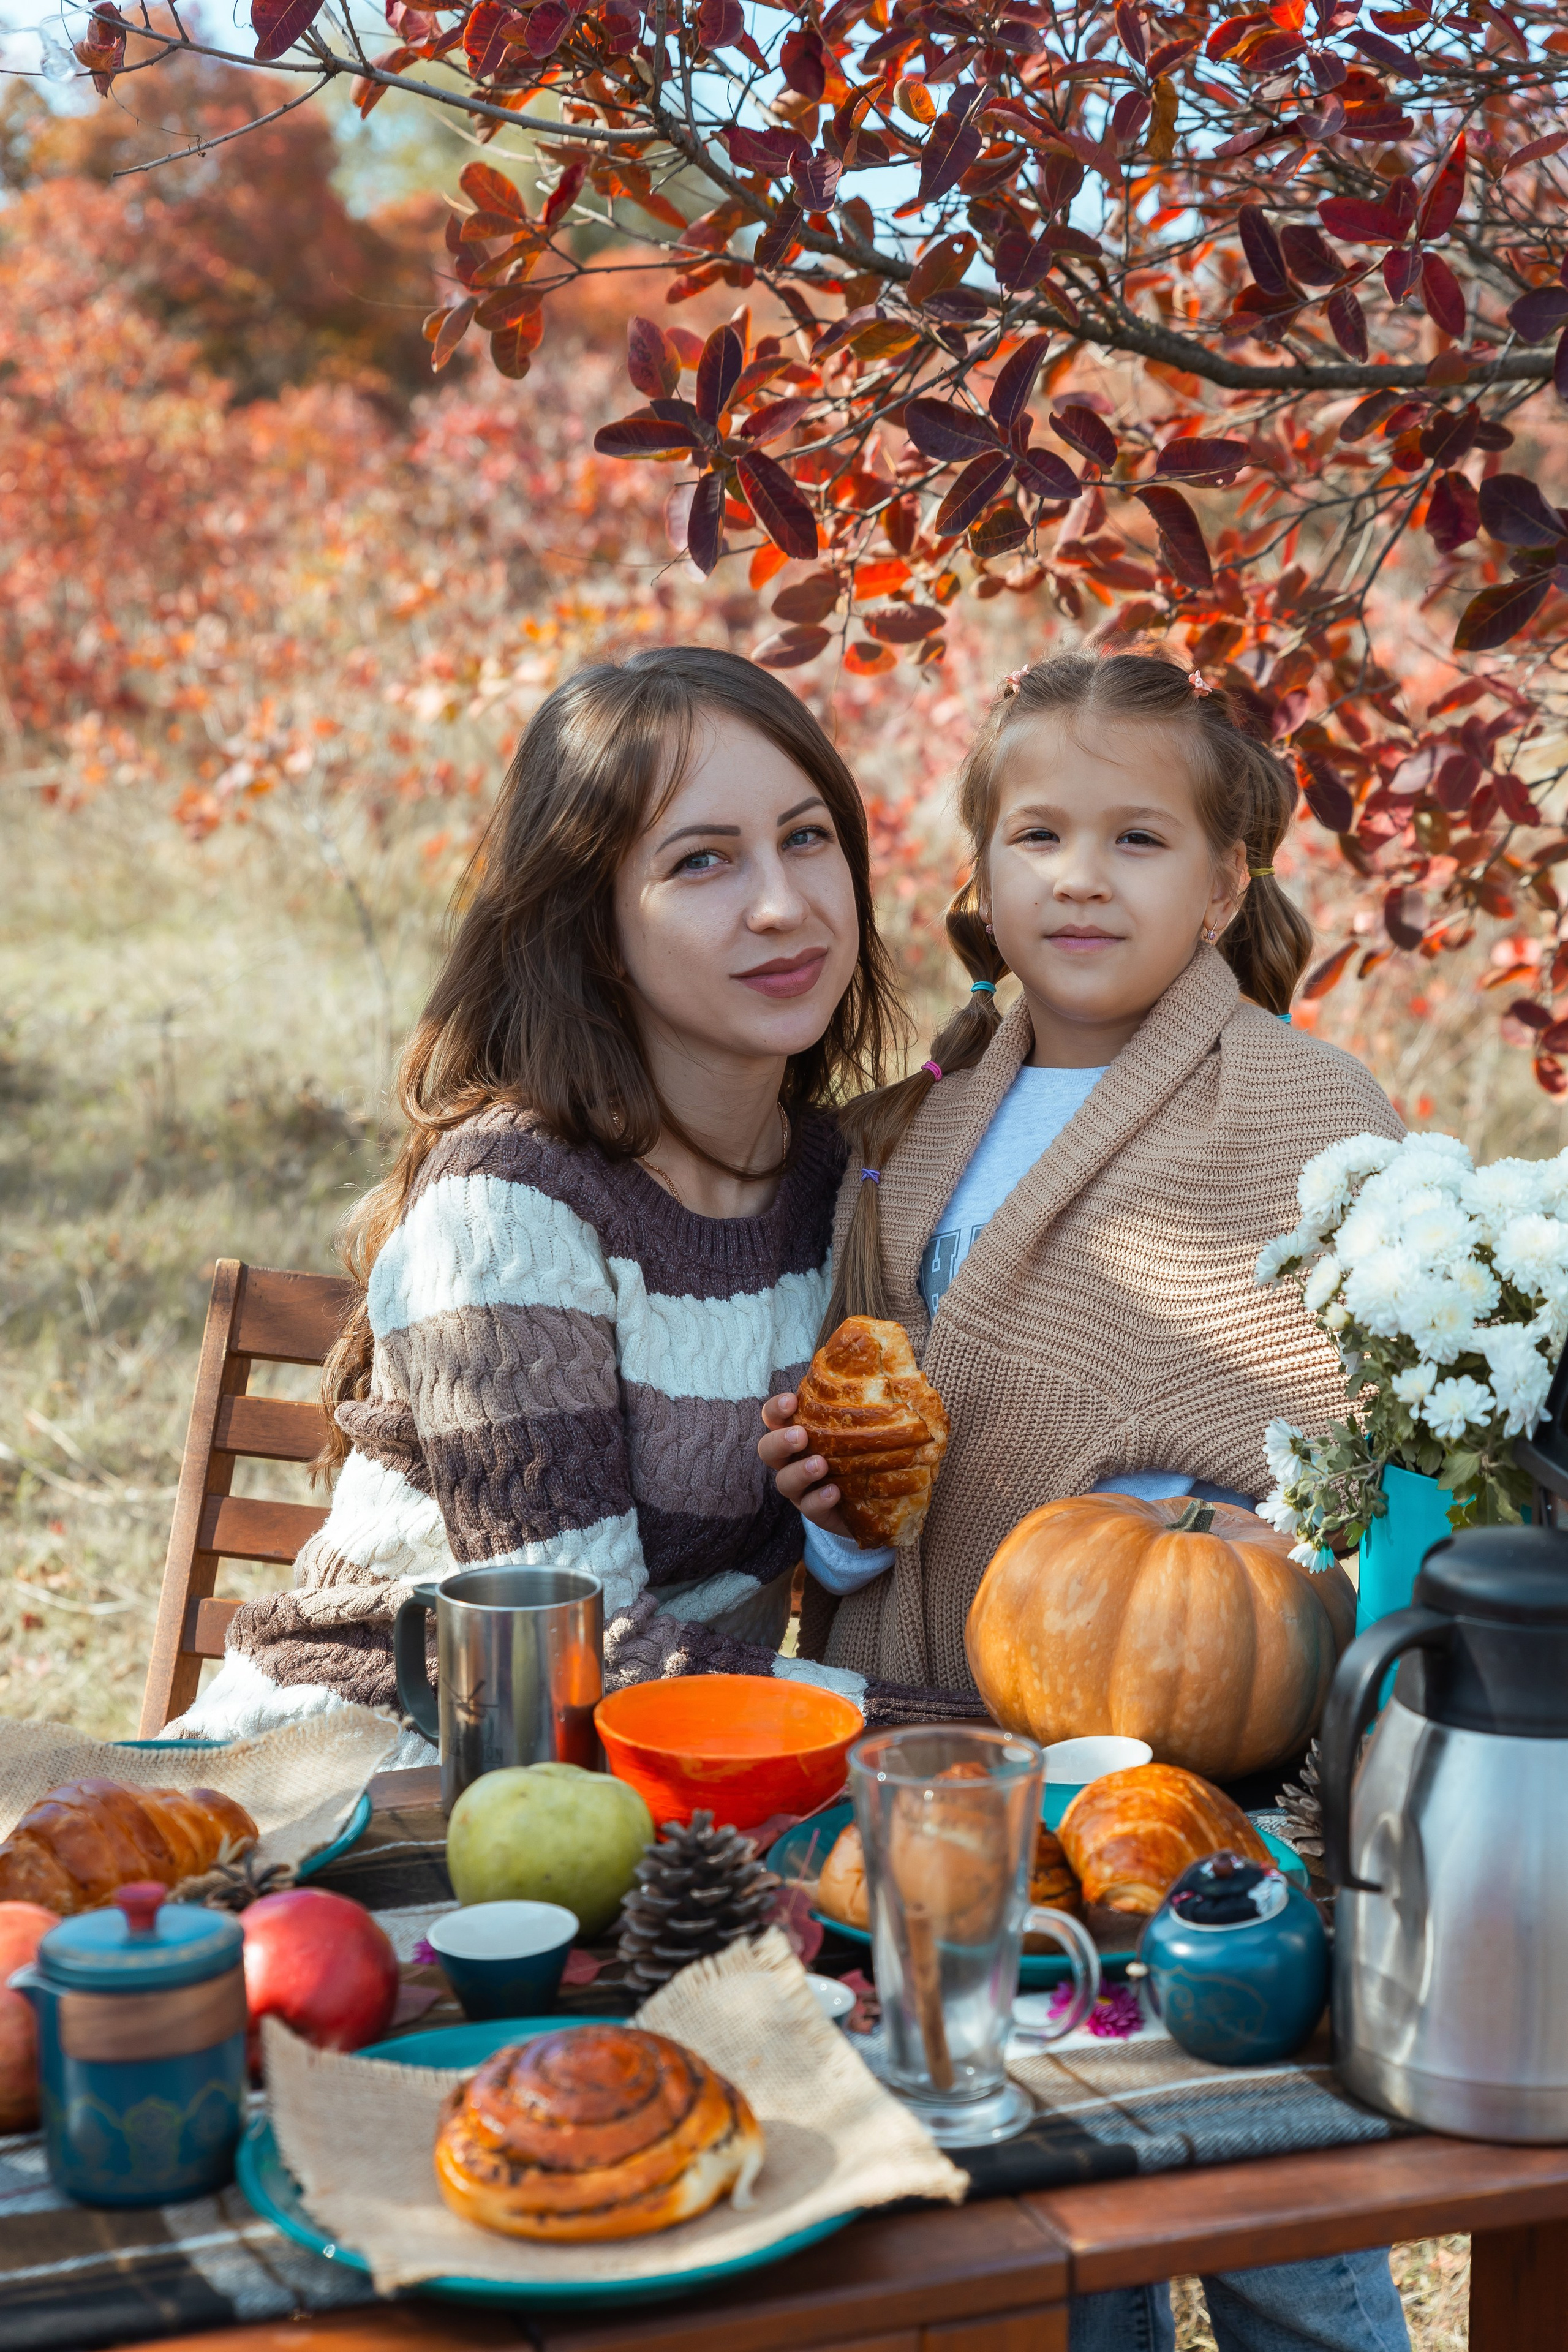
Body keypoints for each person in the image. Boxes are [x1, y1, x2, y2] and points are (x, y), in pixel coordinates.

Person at [760, 650, 1409, 2352]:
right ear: (978, 874)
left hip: (1201, 1778)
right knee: (1045, 2233)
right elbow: (885, 1455)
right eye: (1037, 834)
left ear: (1223, 886)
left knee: (1262, 2205)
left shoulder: (1300, 1108)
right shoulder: (911, 1127)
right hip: (952, 1770)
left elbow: (1354, 1441)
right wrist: (833, 1513)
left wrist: (1250, 1546)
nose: (1080, 876)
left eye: (1138, 839)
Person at [170, 646, 948, 1758]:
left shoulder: (841, 1178)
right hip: (369, 1765)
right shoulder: (509, 1212)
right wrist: (969, 1733)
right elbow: (571, 1656)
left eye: (807, 837)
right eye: (702, 863)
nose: (784, 905)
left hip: (663, 1782)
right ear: (596, 927)